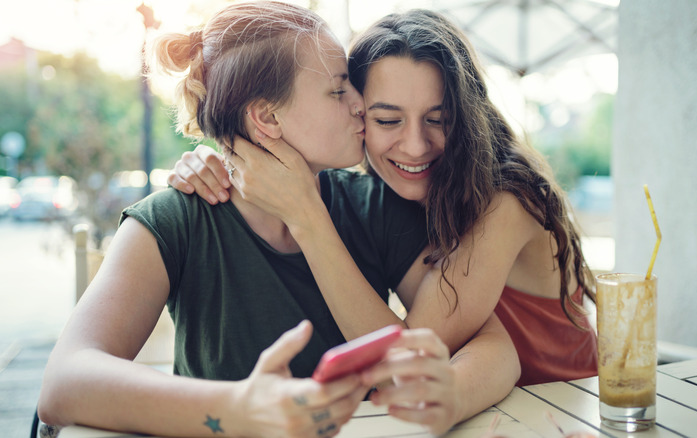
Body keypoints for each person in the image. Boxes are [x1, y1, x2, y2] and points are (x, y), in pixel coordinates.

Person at [37, 3, 519, 437]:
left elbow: (494, 349)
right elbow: (62, 383)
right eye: (337, 90)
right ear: (267, 118)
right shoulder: (175, 220)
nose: (360, 104)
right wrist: (240, 408)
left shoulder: (373, 205)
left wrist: (450, 392)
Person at [171, 8, 598, 388]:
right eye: (387, 119)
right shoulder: (382, 196)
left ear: (468, 119)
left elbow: (408, 354)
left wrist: (306, 216)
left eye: (439, 119)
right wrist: (216, 160)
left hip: (559, 408)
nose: (415, 145)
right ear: (356, 113)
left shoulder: (506, 202)